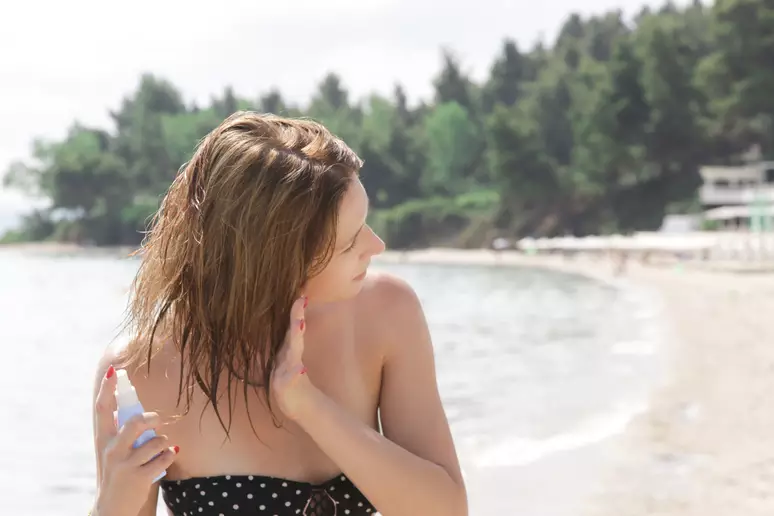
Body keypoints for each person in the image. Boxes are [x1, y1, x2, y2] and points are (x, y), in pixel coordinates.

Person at [90, 112, 467, 516]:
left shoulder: (385, 312)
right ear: (275, 260)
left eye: (365, 224)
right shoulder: (143, 369)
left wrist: (309, 406)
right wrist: (114, 502)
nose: (376, 246)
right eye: (349, 241)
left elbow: (445, 511)